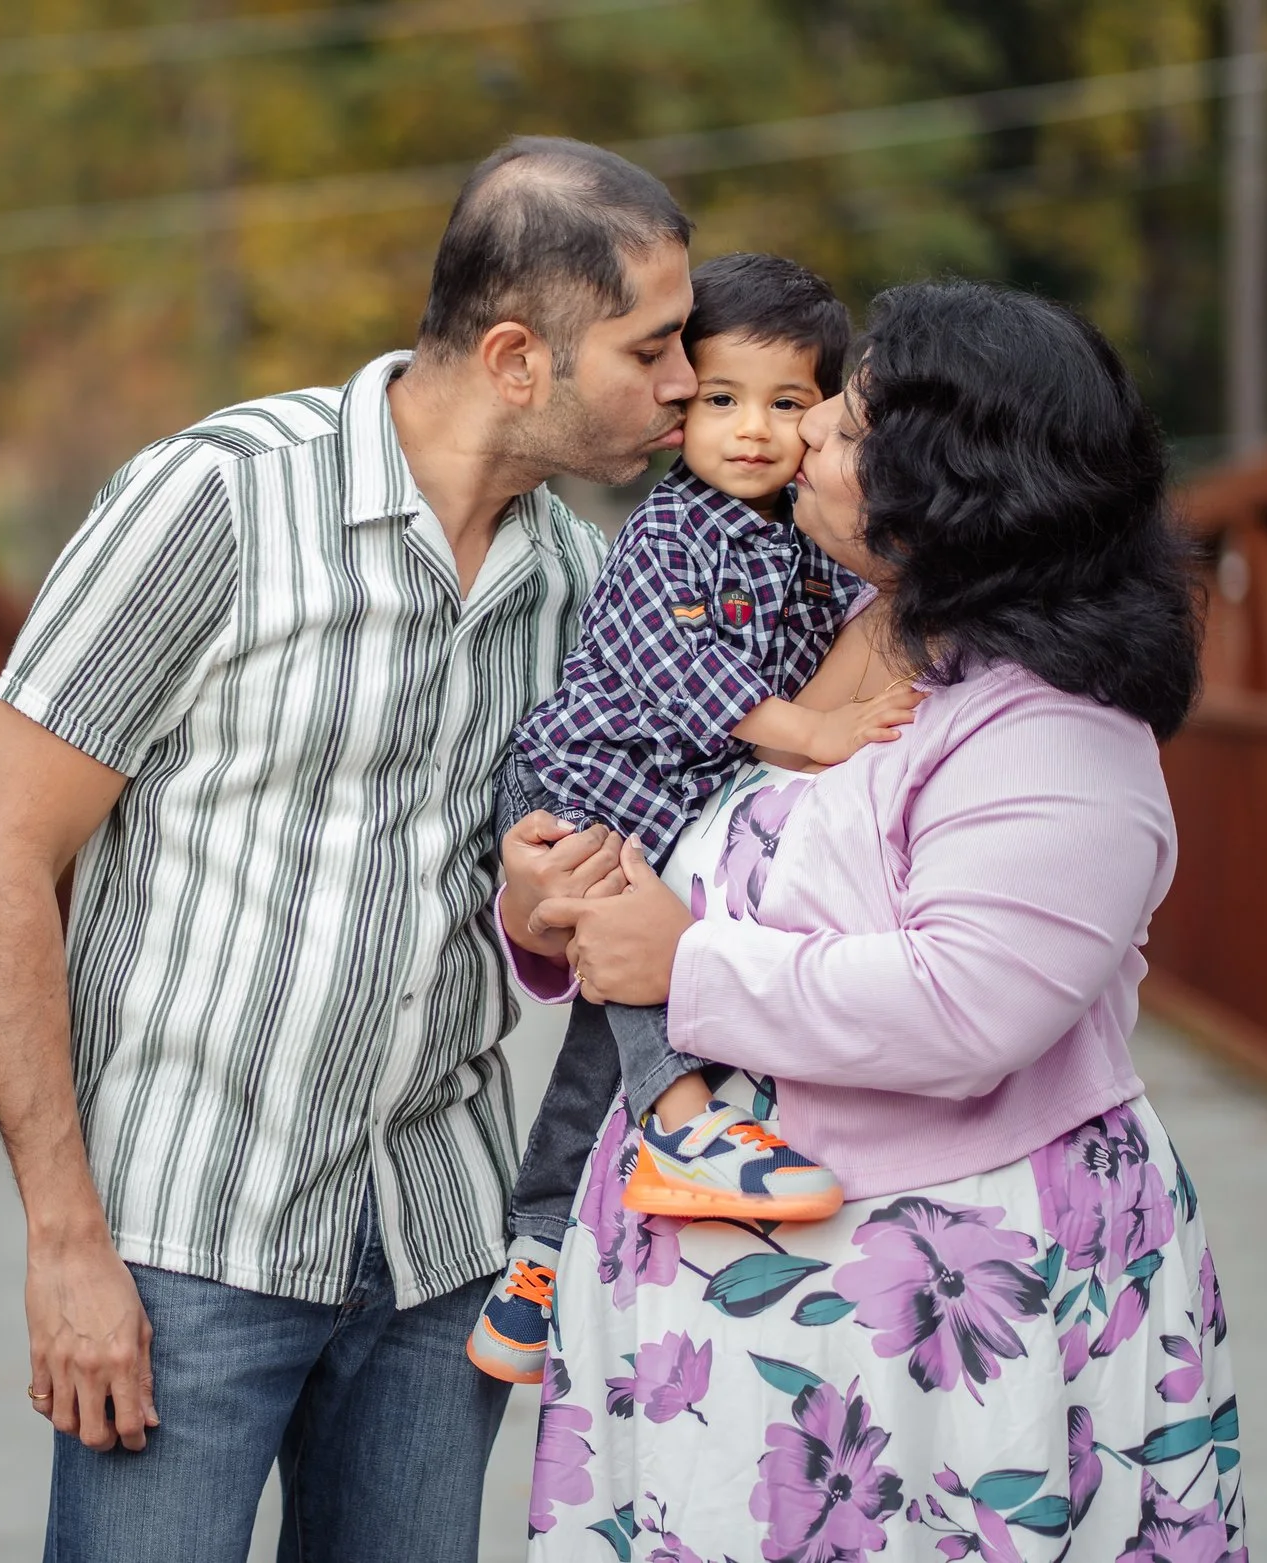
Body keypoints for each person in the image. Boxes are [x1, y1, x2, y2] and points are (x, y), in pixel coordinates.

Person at [0, 136, 697, 1563]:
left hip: (438, 1246)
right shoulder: (216, 501)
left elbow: (544, 911)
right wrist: (63, 1240)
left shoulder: (583, 582)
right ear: (517, 357)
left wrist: (540, 908)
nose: (683, 383)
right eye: (653, 348)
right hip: (186, 1240)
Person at [507, 281, 1243, 1561]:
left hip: (934, 1328)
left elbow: (972, 1008)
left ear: (942, 487)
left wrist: (690, 964)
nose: (799, 441)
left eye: (841, 427)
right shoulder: (842, 625)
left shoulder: (1053, 726)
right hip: (736, 1316)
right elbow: (708, 862)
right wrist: (550, 903)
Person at [470, 253, 925, 1388]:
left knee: (595, 1046)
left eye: (788, 406)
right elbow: (668, 663)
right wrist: (812, 734)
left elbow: (860, 627)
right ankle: (679, 1119)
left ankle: (530, 1267)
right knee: (643, 992)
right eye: (721, 400)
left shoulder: (813, 552)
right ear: (679, 416)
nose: (753, 432)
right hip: (585, 794)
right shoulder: (673, 531)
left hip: (661, 830)